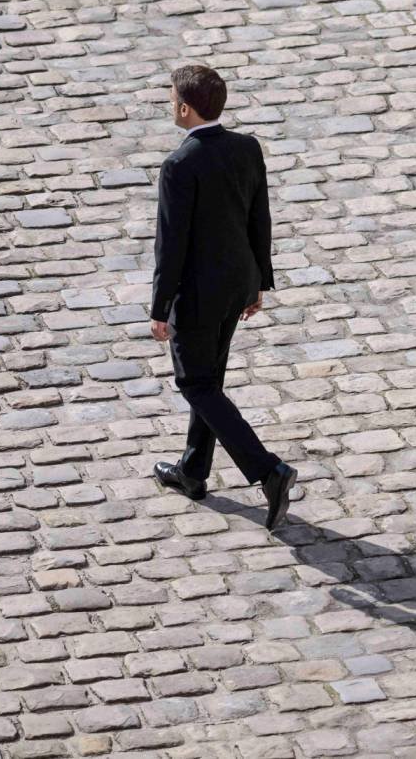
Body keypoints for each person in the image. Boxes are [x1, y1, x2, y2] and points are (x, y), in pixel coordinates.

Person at [148, 64, 296, 528]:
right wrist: (258, 282)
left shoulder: (179, 165)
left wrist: (159, 308)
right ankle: (193, 470)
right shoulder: (246, 148)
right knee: (209, 380)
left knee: (195, 384)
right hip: (236, 284)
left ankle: (266, 468)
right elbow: (260, 217)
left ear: (184, 107)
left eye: (171, 98)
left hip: (197, 295)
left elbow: (170, 244)